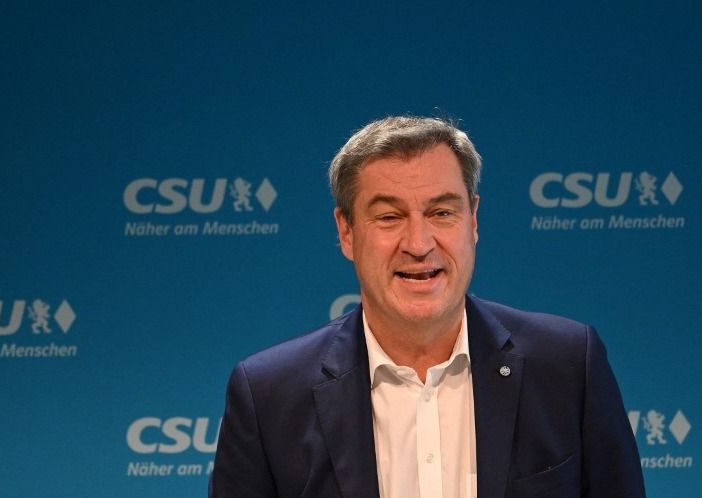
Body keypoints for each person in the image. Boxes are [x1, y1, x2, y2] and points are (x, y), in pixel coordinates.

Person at [209, 116, 645, 497]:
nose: (419, 245)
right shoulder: (268, 395)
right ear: (346, 231)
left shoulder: (568, 365)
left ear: (473, 220)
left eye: (441, 213)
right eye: (389, 217)